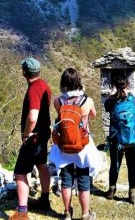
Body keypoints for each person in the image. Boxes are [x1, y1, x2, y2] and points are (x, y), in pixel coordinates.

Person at [49, 68, 100, 220]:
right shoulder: (87, 101)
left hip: (64, 146)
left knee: (66, 180)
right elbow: (94, 115)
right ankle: (85, 214)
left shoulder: (58, 102)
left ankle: (66, 213)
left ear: (62, 83)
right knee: (84, 179)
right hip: (82, 146)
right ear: (78, 82)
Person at [9, 58, 52, 220]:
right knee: (42, 165)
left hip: (33, 139)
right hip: (43, 135)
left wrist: (26, 134)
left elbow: (33, 116)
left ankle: (22, 213)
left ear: (25, 72)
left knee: (20, 173)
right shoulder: (44, 85)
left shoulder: (33, 89)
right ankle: (44, 200)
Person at [104, 75, 135, 204]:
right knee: (132, 166)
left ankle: (111, 191)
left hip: (116, 139)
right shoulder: (134, 100)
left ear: (114, 86)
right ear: (127, 85)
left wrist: (112, 95)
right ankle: (132, 194)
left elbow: (107, 107)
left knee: (115, 165)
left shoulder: (110, 102)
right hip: (132, 139)